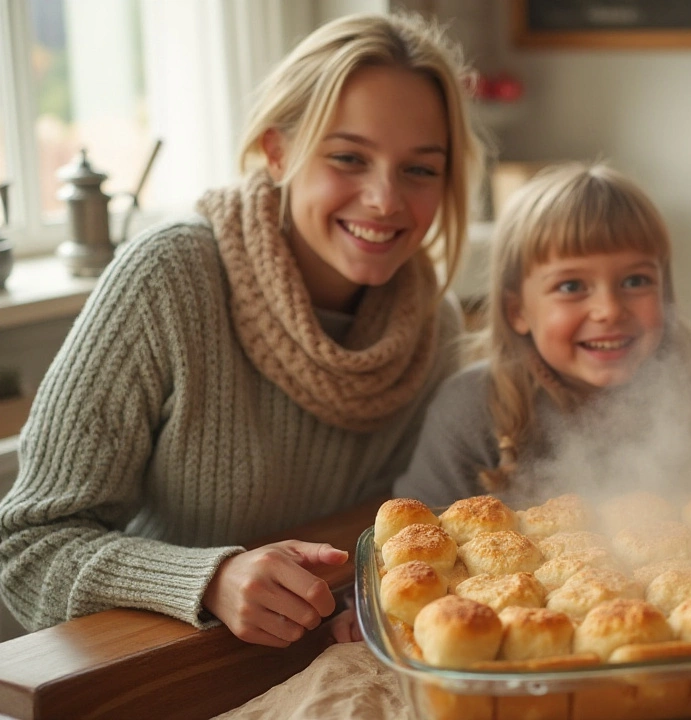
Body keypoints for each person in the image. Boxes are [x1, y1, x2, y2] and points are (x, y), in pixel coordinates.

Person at [0, 12, 480, 648]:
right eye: (347, 157)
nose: (385, 199)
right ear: (278, 152)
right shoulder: (169, 278)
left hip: (326, 660)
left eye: (420, 169)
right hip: (156, 671)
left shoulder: (434, 328)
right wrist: (209, 577)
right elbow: (26, 550)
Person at [394, 161, 691, 504]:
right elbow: (417, 536)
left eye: (635, 281)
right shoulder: (471, 411)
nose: (610, 309)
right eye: (571, 285)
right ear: (518, 312)